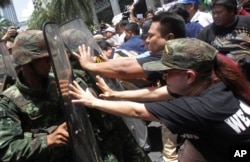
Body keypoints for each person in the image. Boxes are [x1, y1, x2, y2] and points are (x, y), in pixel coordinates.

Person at [69, 38, 250, 162]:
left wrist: (92, 101)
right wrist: (115, 95)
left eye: (167, 73)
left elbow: (137, 111)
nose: (163, 77)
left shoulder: (197, 107)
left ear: (189, 76)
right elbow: (157, 94)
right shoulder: (215, 83)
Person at [73, 12, 186, 162]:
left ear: (169, 38)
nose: (146, 40)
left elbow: (127, 69)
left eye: (151, 36)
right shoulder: (171, 56)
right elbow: (158, 92)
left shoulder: (170, 58)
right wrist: (116, 94)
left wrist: (89, 66)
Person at [0, 30, 74, 162]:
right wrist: (47, 140)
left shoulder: (57, 81)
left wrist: (72, 97)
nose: (50, 62)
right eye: (44, 58)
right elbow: (6, 150)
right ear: (26, 61)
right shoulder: (9, 102)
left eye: (51, 57)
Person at [197, 0, 250, 80]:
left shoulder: (247, 22)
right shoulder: (206, 33)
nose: (215, 16)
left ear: (231, 11)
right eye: (213, 13)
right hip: (223, 78)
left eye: (219, 12)